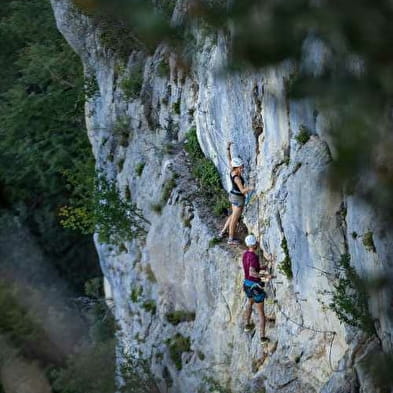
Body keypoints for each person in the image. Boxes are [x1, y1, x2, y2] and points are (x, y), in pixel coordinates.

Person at [219, 141, 253, 245]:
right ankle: (231, 239)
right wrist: (251, 187)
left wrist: (228, 148)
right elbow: (243, 190)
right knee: (234, 219)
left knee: (232, 216)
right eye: (241, 167)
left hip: (233, 196)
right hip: (238, 199)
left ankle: (223, 232)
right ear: (237, 167)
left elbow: (229, 160)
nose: (242, 168)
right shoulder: (237, 178)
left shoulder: (232, 171)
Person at [242, 234, 271, 342]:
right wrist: (265, 276)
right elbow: (252, 272)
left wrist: (263, 267)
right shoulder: (254, 256)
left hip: (247, 285)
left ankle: (247, 324)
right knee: (261, 313)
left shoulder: (245, 254)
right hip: (255, 287)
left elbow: (251, 269)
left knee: (250, 302)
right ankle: (262, 337)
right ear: (255, 244)